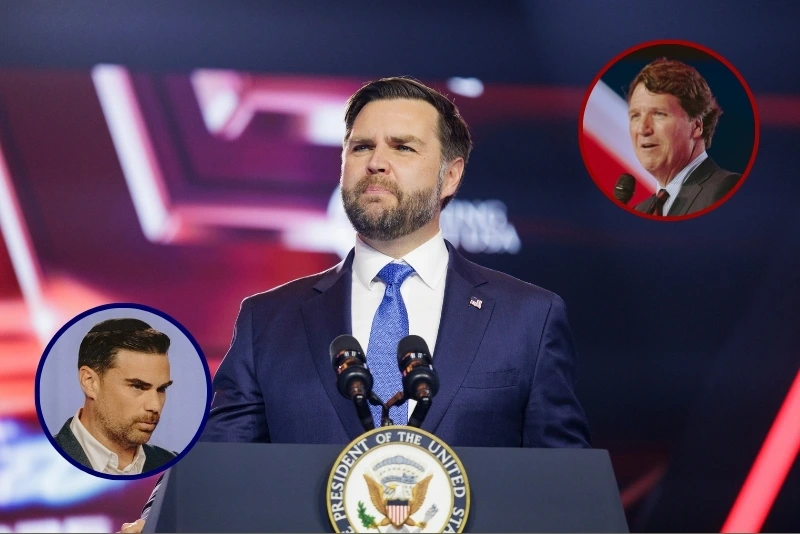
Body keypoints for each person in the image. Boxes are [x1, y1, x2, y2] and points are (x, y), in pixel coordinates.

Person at [121, 76, 590, 532]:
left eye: (403, 147)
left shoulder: (528, 317)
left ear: (451, 175)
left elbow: (566, 489)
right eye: (361, 147)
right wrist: (154, 519)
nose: (376, 163)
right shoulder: (268, 320)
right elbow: (217, 457)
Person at [54, 318, 175, 475]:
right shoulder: (38, 470)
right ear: (90, 382)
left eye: (161, 389)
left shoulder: (174, 466)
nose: (155, 406)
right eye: (137, 386)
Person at [628, 58, 741, 216]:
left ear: (696, 126)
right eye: (635, 116)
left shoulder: (725, 190)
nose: (642, 129)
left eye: (659, 114)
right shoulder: (640, 211)